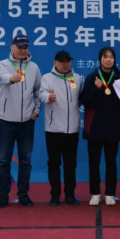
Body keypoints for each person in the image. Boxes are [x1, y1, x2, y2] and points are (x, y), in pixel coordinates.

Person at [0, 35, 42, 208]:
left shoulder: (34, 67)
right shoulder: (2, 64)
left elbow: (38, 91)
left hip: (27, 122)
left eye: (25, 47)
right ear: (12, 47)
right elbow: (3, 78)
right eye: (19, 47)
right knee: (4, 160)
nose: (23, 50)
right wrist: (12, 78)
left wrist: (36, 111)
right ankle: (3, 195)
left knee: (25, 160)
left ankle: (23, 194)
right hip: (6, 122)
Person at [80, 47, 120, 206]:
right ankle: (95, 193)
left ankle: (110, 193)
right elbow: (85, 101)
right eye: (105, 57)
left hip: (113, 126)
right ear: (100, 59)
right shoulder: (92, 78)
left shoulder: (119, 79)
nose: (109, 60)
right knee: (94, 162)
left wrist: (109, 90)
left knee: (111, 162)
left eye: (111, 57)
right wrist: (97, 90)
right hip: (95, 127)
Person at [39, 50, 81, 207]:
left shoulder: (77, 78)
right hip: (54, 129)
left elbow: (82, 98)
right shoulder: (47, 78)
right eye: (62, 61)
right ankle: (55, 195)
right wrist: (48, 97)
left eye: (68, 61)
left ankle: (70, 195)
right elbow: (41, 94)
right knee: (54, 164)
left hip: (72, 130)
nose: (66, 64)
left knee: (71, 165)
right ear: (55, 63)